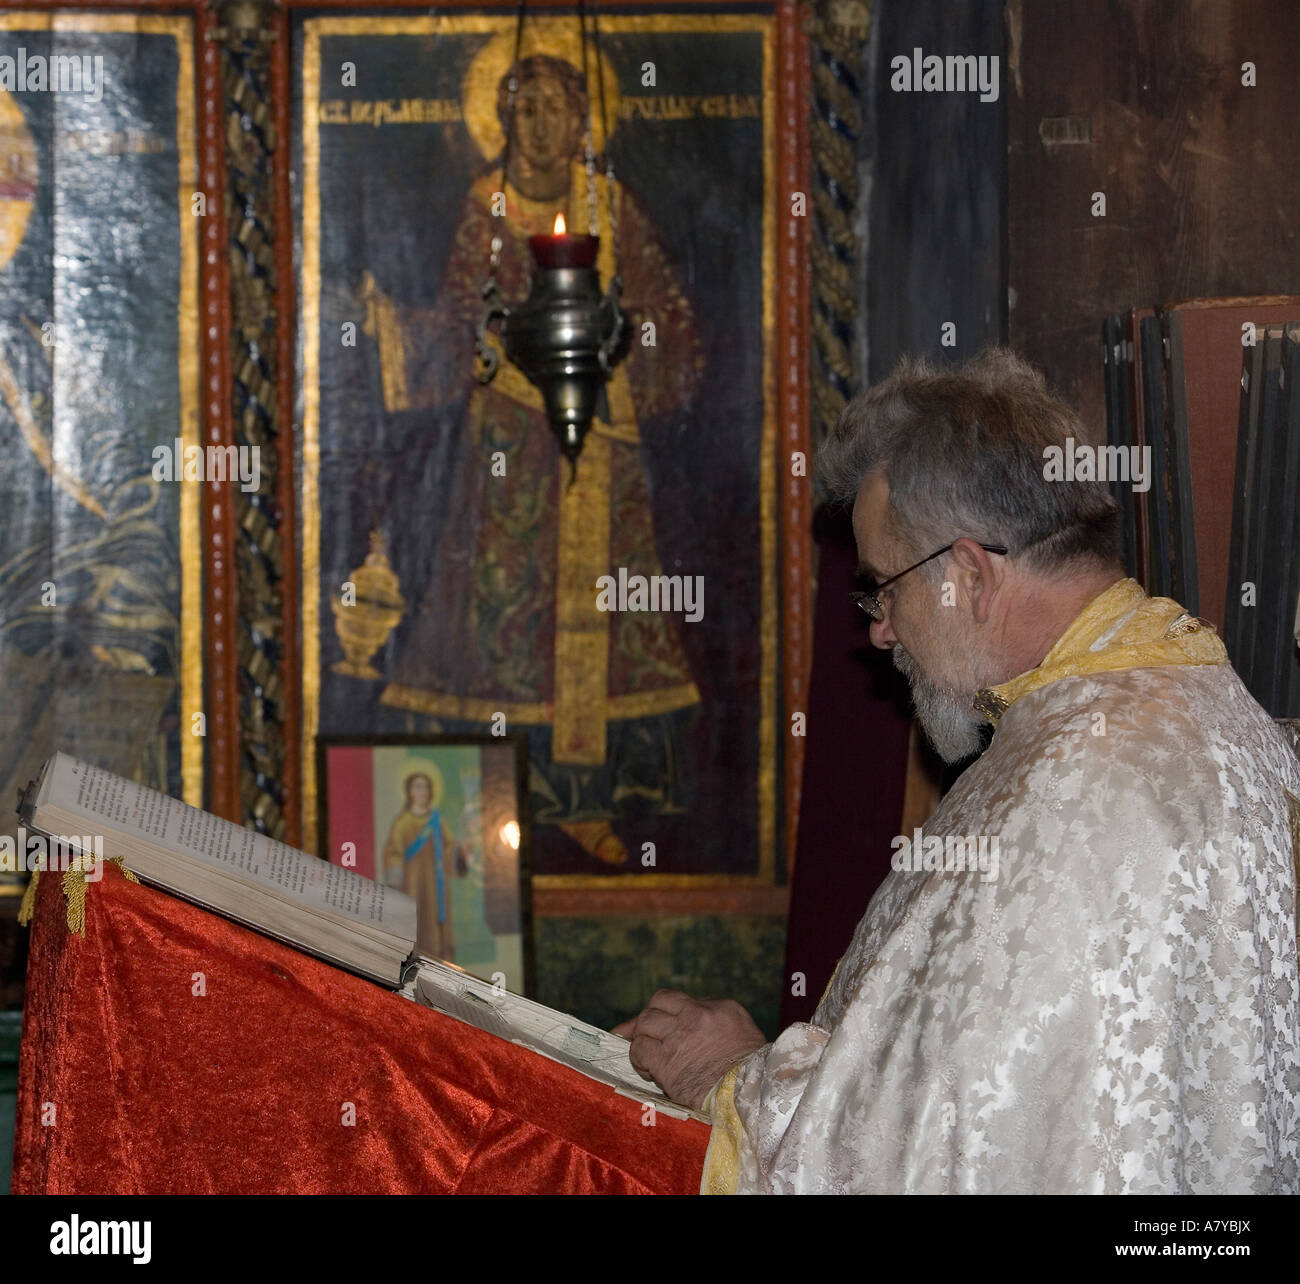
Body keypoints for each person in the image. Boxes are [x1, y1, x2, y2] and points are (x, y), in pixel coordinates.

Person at [614, 348, 1300, 1194]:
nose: (879, 631)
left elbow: (934, 1156)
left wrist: (731, 1079)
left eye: (882, 589)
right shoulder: (1184, 693)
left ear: (970, 575)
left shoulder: (1072, 783)